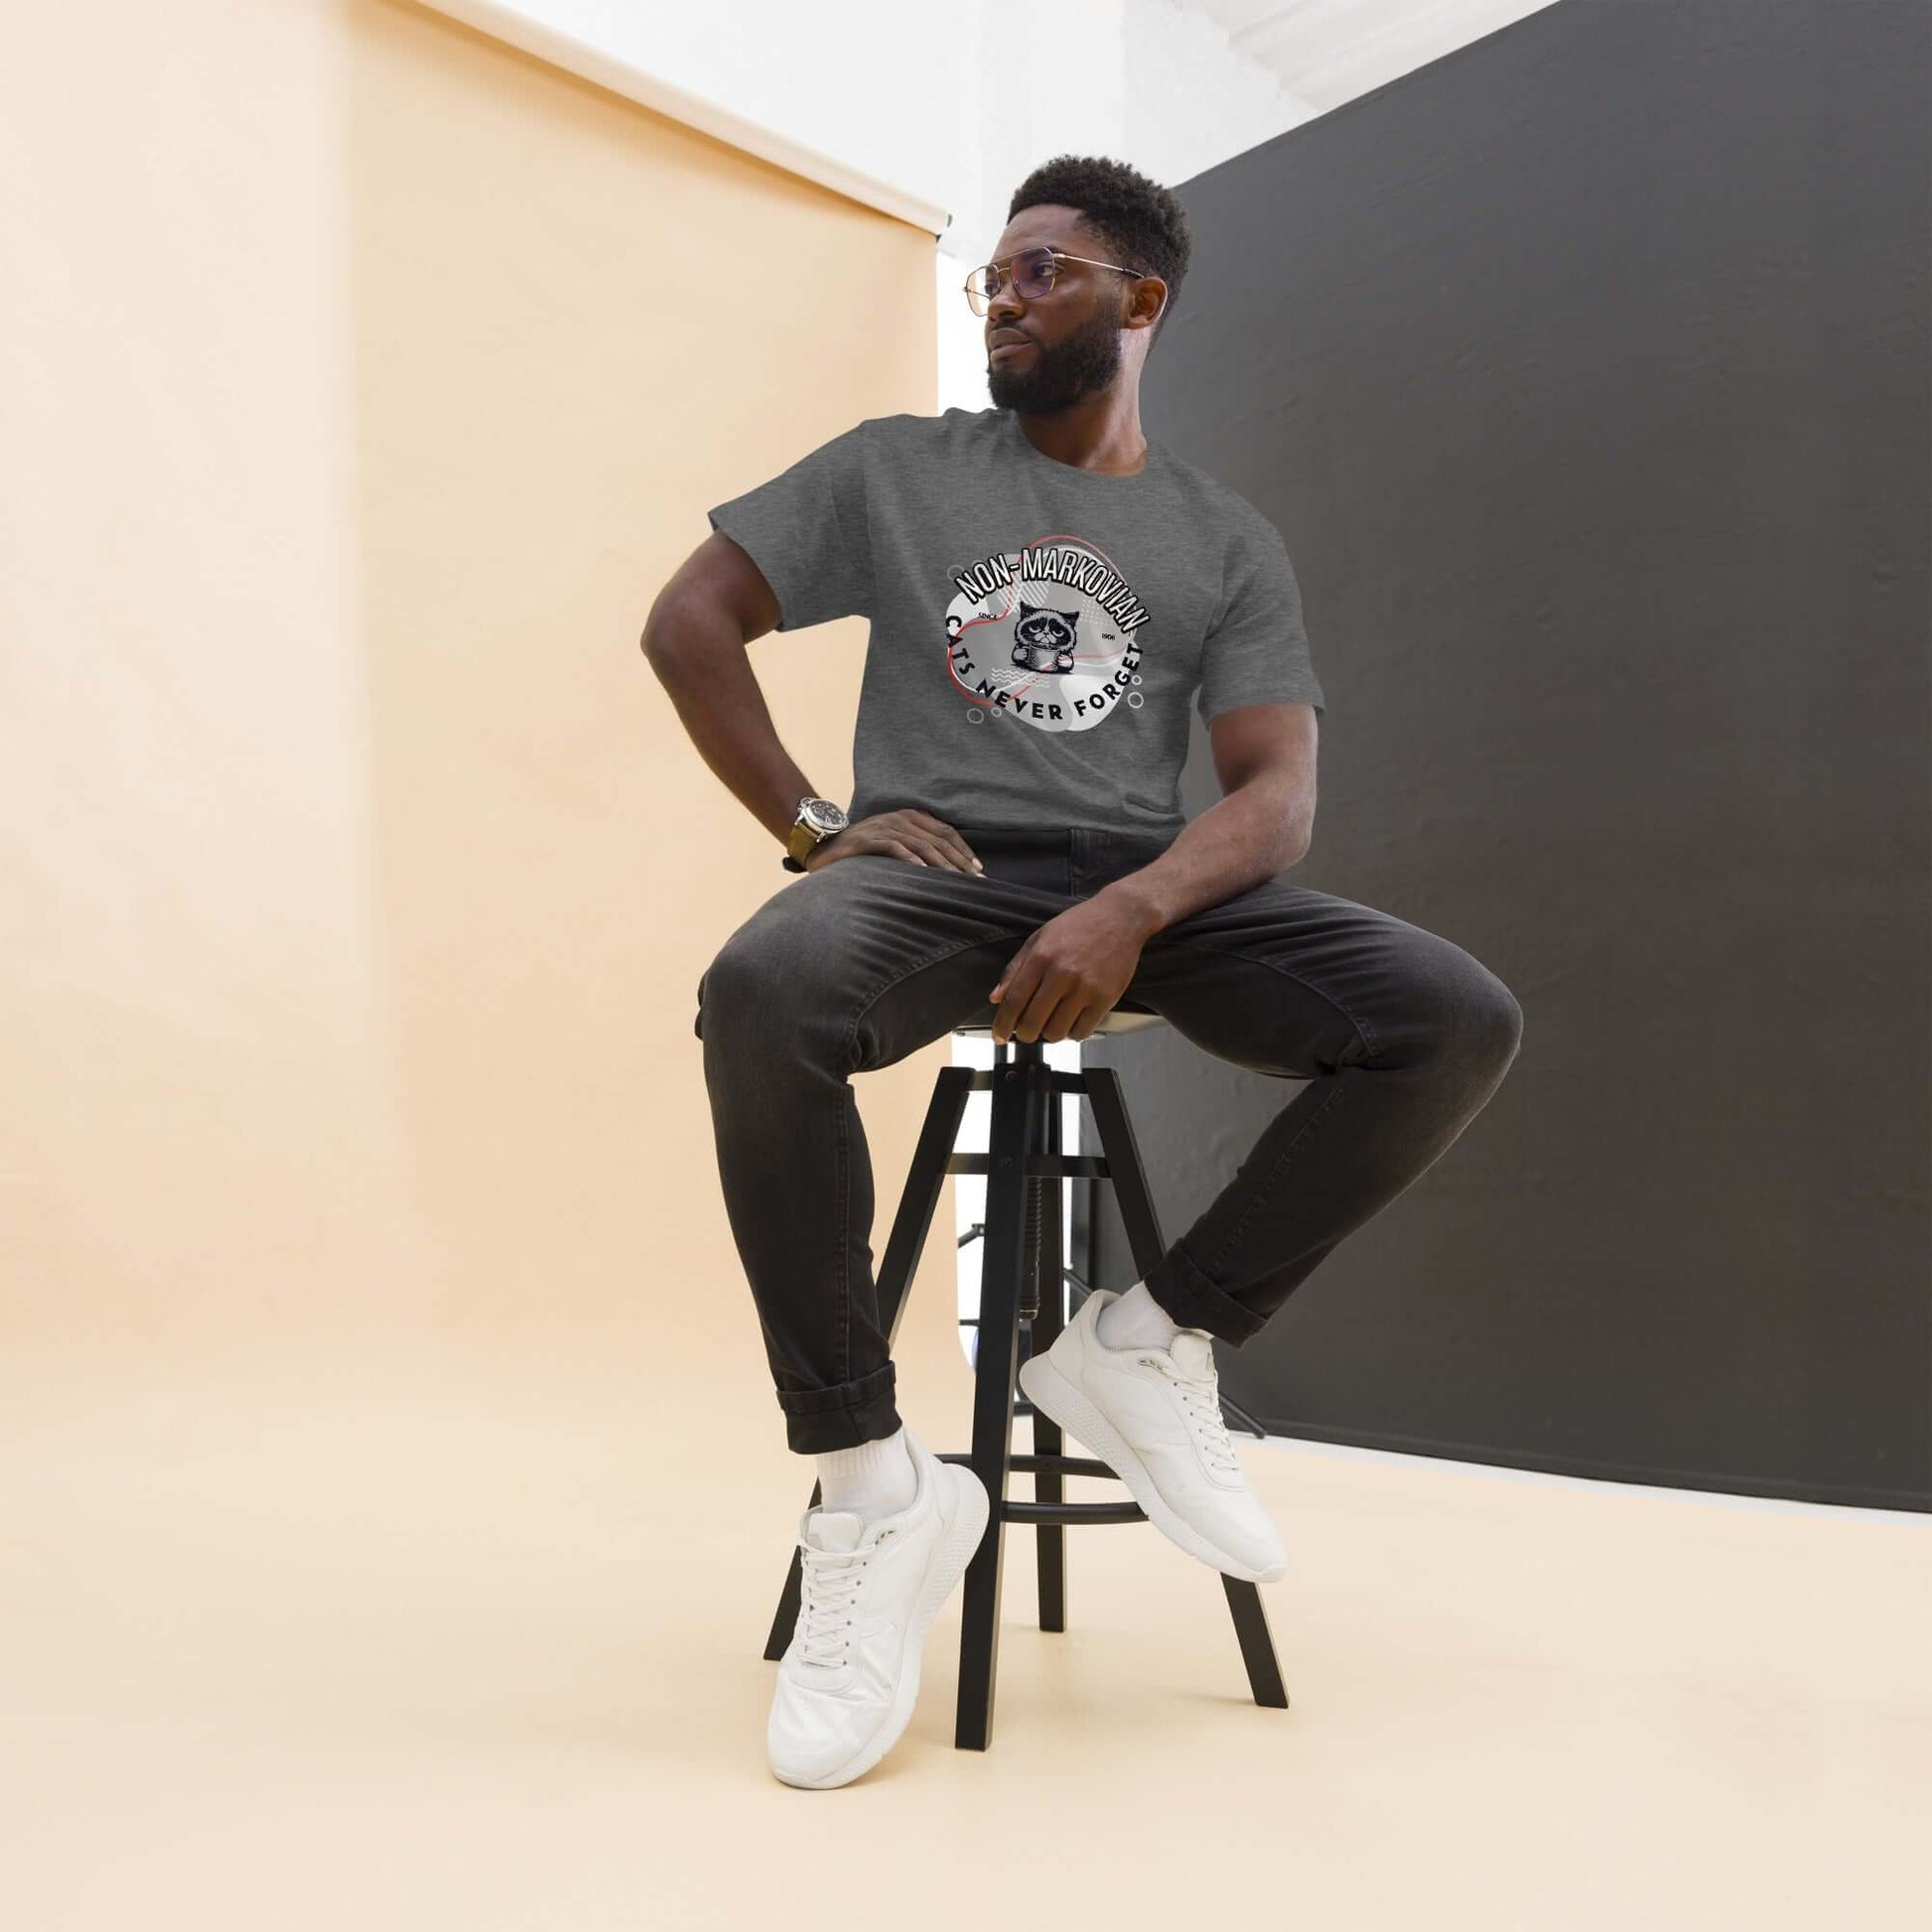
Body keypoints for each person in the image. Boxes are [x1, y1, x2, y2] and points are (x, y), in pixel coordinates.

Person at [642, 155, 1523, 1789]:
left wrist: (1133, 908)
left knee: (1449, 1017)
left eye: (1040, 271)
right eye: (991, 275)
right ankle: (871, 1487)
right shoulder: (898, 471)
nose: (1002, 295)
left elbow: (1275, 795)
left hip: (1144, 890)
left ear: (1138, 300)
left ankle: (1145, 1339)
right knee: (760, 993)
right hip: (940, 881)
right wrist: (818, 826)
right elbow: (688, 616)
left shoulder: (1220, 539)